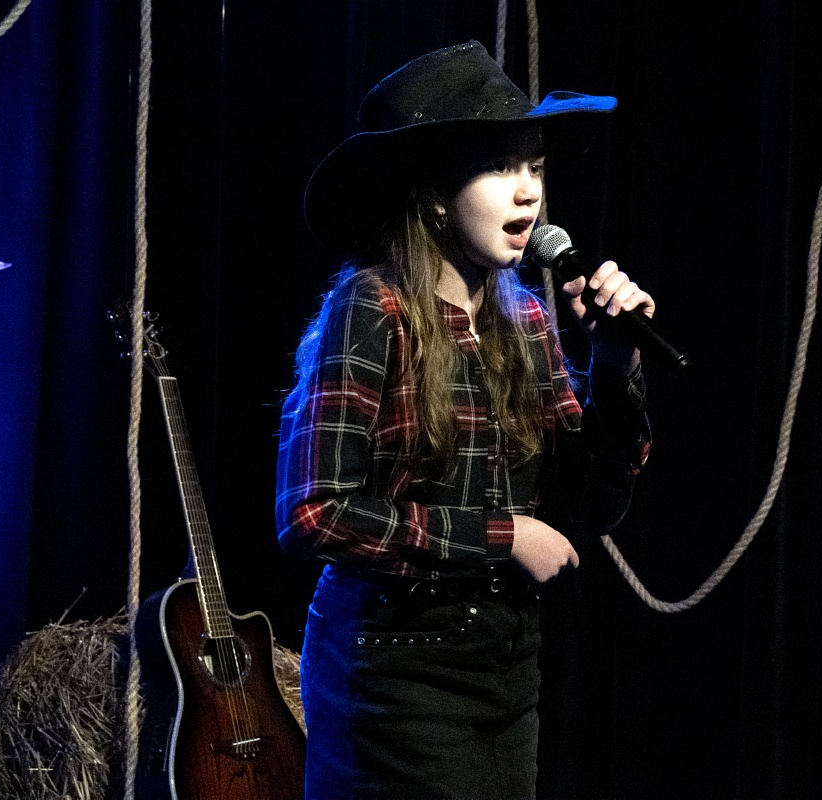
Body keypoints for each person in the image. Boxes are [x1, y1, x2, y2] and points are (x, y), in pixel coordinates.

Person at [275, 40, 653, 800]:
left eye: (535, 168)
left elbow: (586, 509)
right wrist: (500, 535)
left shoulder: (528, 323)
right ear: (436, 195)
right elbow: (314, 515)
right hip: (393, 671)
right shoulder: (373, 309)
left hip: (505, 669)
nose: (527, 194)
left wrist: (615, 369)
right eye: (498, 168)